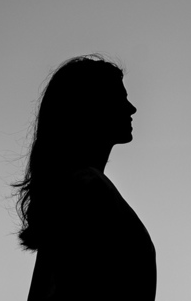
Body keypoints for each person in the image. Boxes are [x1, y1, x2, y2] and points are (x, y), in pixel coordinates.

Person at [14, 55, 156, 300]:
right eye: (120, 98)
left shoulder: (77, 187)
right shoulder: (87, 190)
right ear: (92, 107)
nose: (131, 108)